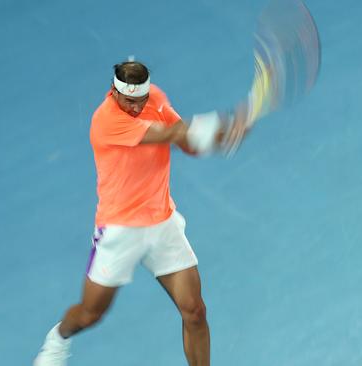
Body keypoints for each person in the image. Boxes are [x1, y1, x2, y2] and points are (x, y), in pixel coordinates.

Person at [33, 60, 247, 366]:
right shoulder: (105, 121)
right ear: (114, 92)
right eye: (128, 102)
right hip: (120, 229)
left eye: (140, 101)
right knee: (90, 314)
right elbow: (167, 134)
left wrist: (222, 137)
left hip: (162, 222)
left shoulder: (155, 100)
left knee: (195, 311)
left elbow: (185, 140)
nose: (134, 108)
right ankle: (58, 339)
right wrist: (220, 123)